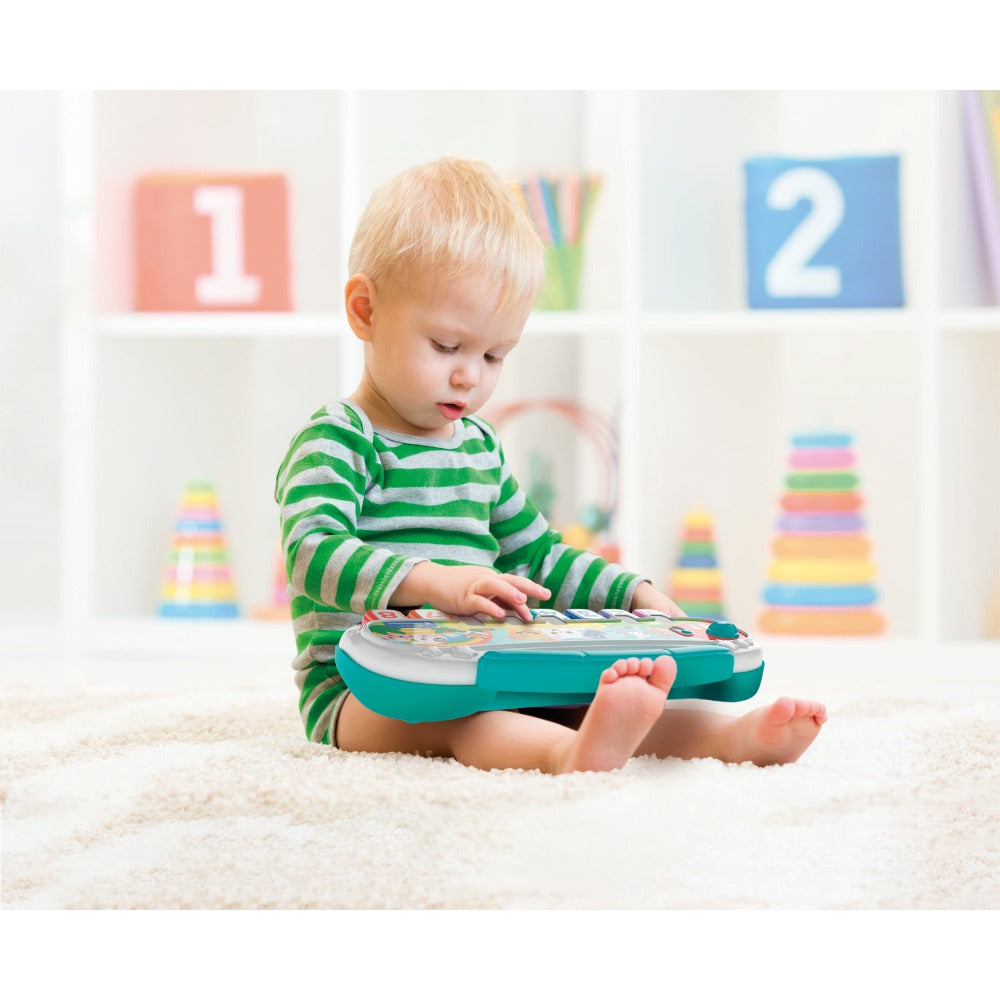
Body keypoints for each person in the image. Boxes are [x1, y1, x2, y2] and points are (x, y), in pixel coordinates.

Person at [274, 157, 827, 773]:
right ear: (366, 311)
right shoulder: (339, 438)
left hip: (488, 663)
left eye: (494, 354)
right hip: (365, 691)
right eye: (447, 346)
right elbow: (311, 552)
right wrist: (437, 582)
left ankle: (730, 740)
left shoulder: (479, 446)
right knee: (468, 722)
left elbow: (537, 558)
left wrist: (633, 593)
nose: (470, 375)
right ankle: (568, 756)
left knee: (585, 698)